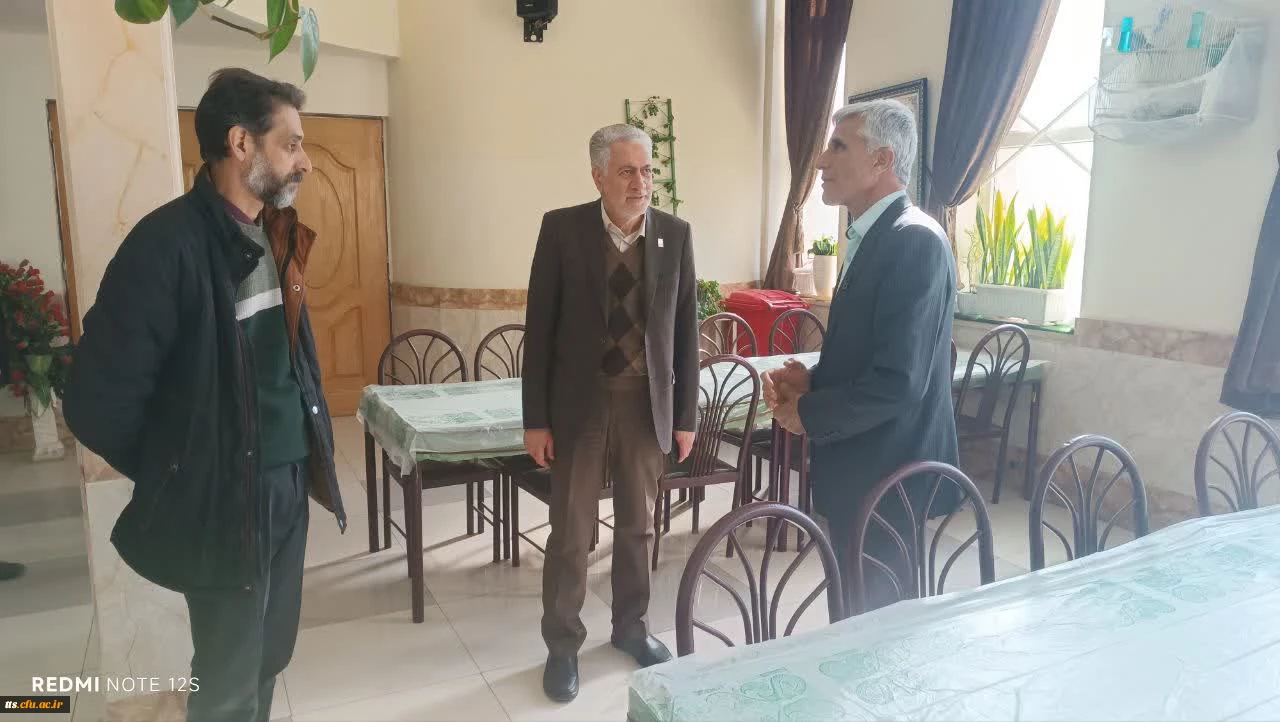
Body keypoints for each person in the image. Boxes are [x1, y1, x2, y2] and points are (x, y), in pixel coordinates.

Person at [62, 68, 346, 722]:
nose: (304, 161)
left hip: (288, 480)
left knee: (269, 654)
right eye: (291, 144)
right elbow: (95, 402)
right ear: (241, 143)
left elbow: (287, 358)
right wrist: (184, 465)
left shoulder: (276, 231)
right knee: (226, 674)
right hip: (226, 498)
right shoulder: (165, 246)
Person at [522, 123, 699, 702]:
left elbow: (685, 331)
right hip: (580, 402)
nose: (640, 183)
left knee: (638, 526)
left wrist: (686, 416)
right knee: (571, 530)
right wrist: (535, 419)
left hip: (646, 403)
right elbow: (539, 328)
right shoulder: (562, 230)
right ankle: (562, 644)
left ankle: (631, 628)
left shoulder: (674, 234)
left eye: (647, 171)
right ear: (598, 176)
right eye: (626, 172)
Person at [763, 99, 960, 611]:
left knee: (877, 628)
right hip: (863, 468)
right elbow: (875, 354)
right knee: (852, 612)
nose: (821, 161)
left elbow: (898, 381)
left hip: (887, 477)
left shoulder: (913, 241)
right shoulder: (877, 236)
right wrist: (815, 380)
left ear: (881, 160)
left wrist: (808, 413)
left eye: (838, 147)